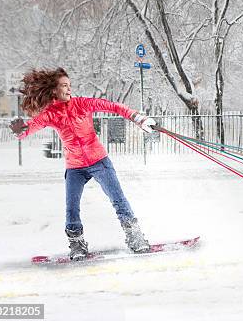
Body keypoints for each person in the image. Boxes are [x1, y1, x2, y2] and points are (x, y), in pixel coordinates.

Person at [9, 68, 156, 260]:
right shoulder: (50, 113)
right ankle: (77, 244)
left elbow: (114, 107)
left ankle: (135, 237)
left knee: (118, 199)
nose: (69, 89)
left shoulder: (82, 104)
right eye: (64, 86)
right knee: (71, 207)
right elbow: (32, 126)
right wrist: (21, 130)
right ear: (54, 90)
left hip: (98, 161)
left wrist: (139, 119)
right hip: (75, 167)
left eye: (70, 85)